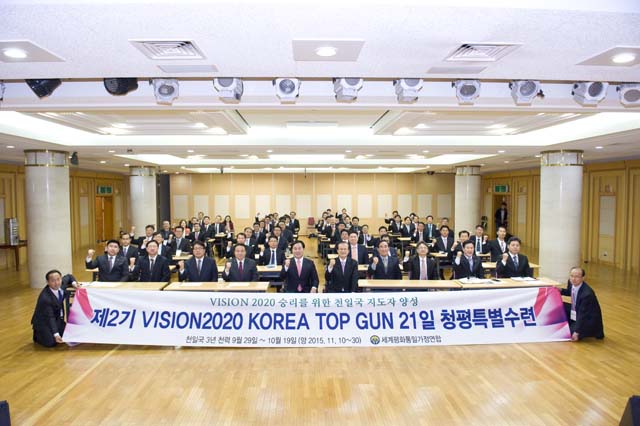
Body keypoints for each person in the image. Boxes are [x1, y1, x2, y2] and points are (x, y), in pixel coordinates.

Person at [31, 270, 78, 347]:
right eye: (53, 281)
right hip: (43, 321)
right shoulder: (45, 298)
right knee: (51, 343)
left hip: (57, 318)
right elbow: (50, 317)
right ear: (48, 282)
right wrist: (56, 334)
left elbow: (69, 276)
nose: (56, 283)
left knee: (69, 334)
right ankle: (37, 334)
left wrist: (74, 283)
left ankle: (56, 330)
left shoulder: (61, 285)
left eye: (58, 279)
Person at [561, 267, 604, 341]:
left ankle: (578, 329)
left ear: (583, 278)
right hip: (577, 311)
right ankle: (571, 323)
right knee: (560, 305)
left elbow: (583, 314)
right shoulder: (571, 282)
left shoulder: (587, 294)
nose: (573, 279)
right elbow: (570, 292)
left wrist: (577, 332)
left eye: (577, 277)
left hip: (587, 319)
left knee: (566, 333)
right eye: (572, 276)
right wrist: (560, 290)